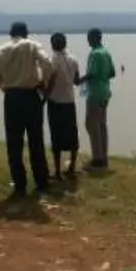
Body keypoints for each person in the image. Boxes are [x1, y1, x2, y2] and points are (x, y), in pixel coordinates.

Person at [0, 21, 55, 198]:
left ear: (11, 33)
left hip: (11, 99)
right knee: (36, 140)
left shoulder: (0, 51)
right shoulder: (32, 45)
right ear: (26, 33)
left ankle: (19, 184)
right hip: (31, 97)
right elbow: (48, 65)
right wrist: (43, 81)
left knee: (14, 142)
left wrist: (6, 85)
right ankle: (41, 181)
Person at [45, 32, 83, 181]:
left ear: (52, 44)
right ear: (65, 44)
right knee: (72, 134)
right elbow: (77, 81)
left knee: (56, 136)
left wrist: (44, 96)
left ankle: (57, 171)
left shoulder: (52, 60)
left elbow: (50, 80)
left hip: (55, 101)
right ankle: (72, 167)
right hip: (69, 101)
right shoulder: (73, 59)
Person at [82, 27, 117, 170]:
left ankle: (97, 159)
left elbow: (90, 74)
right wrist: (102, 79)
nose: (88, 40)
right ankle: (104, 157)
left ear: (95, 38)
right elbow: (112, 73)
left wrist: (78, 80)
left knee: (91, 124)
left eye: (89, 37)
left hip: (95, 93)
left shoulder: (95, 53)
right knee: (102, 124)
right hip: (105, 92)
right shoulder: (106, 52)